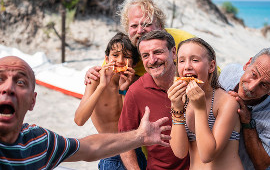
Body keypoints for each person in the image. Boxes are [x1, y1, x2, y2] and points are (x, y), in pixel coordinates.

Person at [0, 56, 171, 169]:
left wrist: (140, 136)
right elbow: (80, 119)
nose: (8, 88)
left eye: (20, 82)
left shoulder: (40, 142)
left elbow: (90, 148)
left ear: (33, 100)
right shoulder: (97, 83)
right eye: (0, 79)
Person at [168, 37, 243, 169]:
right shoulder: (182, 100)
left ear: (211, 66)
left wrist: (200, 109)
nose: (187, 66)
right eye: (181, 61)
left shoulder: (227, 102)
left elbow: (207, 155)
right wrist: (177, 109)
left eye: (195, 60)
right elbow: (180, 152)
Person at [118, 30, 190, 169]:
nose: (152, 60)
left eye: (157, 52)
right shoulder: (136, 92)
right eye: (145, 55)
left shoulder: (191, 79)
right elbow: (124, 140)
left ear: (173, 53)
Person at [74, 32, 146, 169]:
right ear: (107, 59)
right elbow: (79, 120)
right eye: (115, 55)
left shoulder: (137, 82)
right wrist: (102, 86)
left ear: (134, 63)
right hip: (110, 152)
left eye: (126, 56)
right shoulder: (95, 80)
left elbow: (130, 124)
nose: (119, 60)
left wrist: (125, 89)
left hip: (135, 150)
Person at [84, 0, 194, 82]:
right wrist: (92, 73)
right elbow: (106, 76)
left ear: (160, 26)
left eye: (146, 24)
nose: (140, 31)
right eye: (134, 26)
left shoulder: (186, 42)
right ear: (127, 29)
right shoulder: (124, 48)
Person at [218, 48, 270, 170]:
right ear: (247, 64)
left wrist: (247, 122)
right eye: (253, 74)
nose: (252, 87)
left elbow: (262, 164)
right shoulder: (229, 72)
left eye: (264, 85)